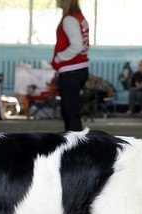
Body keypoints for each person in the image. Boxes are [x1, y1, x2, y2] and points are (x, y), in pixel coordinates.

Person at [51, 0, 89, 131]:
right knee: (71, 111)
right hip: (78, 69)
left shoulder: (69, 19)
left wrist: (59, 58)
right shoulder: (79, 17)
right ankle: (75, 144)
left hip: (71, 70)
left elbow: (77, 45)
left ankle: (76, 146)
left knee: (70, 112)